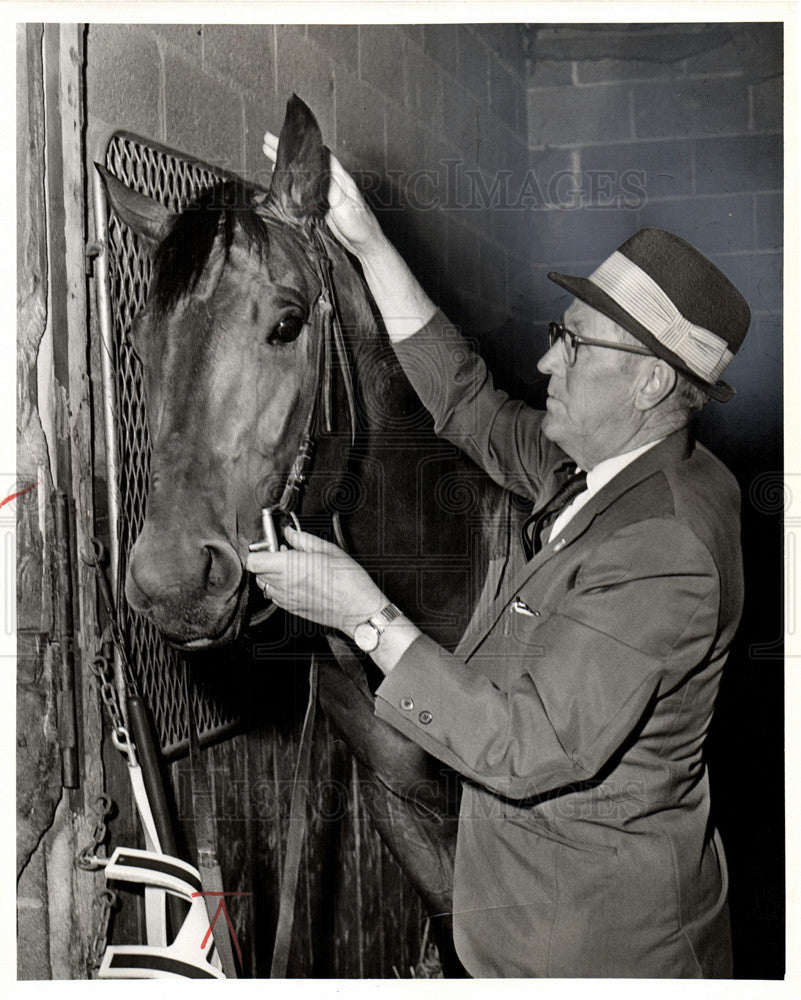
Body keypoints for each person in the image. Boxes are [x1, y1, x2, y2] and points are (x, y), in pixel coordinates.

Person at [250, 133, 751, 978]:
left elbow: (526, 746)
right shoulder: (608, 465)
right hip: (528, 927)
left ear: (652, 384)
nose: (546, 357)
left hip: (598, 951)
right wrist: (366, 239)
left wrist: (363, 615)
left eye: (577, 345)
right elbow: (463, 399)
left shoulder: (666, 546)